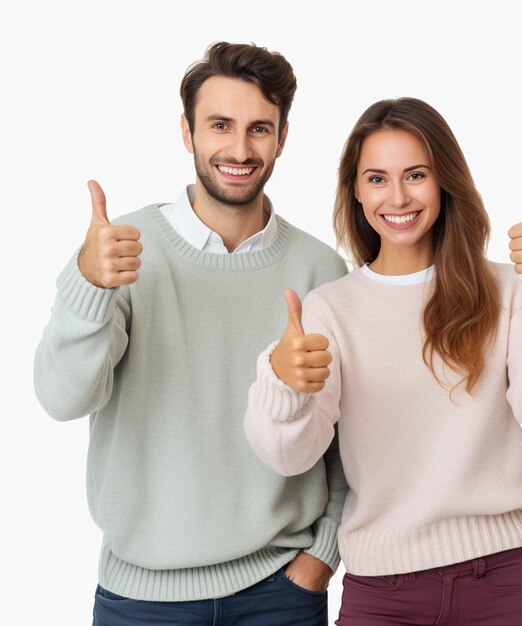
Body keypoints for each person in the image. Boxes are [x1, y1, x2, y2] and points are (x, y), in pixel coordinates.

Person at [244, 97, 522, 626]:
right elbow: (290, 456)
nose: (399, 196)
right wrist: (286, 387)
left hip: (500, 581)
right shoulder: (332, 308)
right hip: (382, 594)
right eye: (378, 178)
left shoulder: (504, 288)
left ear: (444, 181)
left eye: (416, 175)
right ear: (356, 191)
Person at [34, 41, 348, 626]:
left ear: (283, 138)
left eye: (260, 129)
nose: (239, 148)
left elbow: (346, 442)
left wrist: (322, 556)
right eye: (220, 125)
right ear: (187, 132)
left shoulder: (320, 268)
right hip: (139, 599)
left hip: (278, 592)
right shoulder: (120, 250)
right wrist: (88, 285)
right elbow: (61, 399)